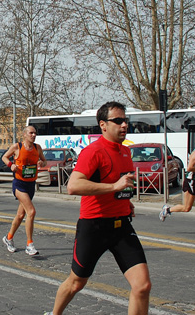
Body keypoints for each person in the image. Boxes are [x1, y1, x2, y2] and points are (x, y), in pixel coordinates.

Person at [46, 102, 151, 315]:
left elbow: (119, 185)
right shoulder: (92, 152)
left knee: (142, 286)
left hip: (121, 226)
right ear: (103, 125)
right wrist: (115, 186)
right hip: (94, 226)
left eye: (125, 121)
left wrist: (125, 200)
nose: (124, 125)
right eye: (118, 121)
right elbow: (73, 186)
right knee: (77, 282)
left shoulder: (125, 152)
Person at [1, 126, 47, 256]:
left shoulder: (37, 148)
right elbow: (4, 157)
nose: (34, 135)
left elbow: (44, 161)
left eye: (35, 133)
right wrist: (11, 165)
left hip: (30, 184)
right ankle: (29, 244)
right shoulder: (17, 147)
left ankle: (8, 238)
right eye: (31, 133)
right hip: (19, 184)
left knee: (21, 215)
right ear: (25, 135)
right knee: (31, 211)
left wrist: (41, 164)